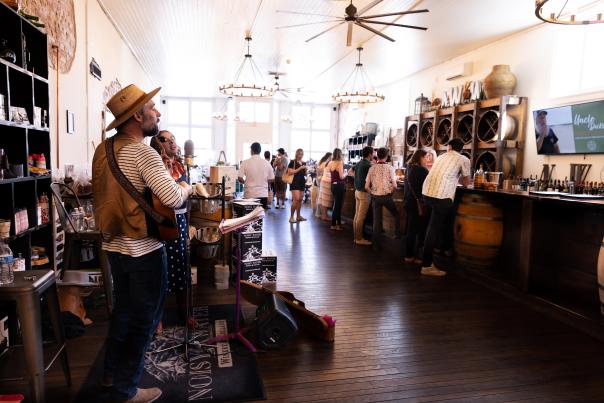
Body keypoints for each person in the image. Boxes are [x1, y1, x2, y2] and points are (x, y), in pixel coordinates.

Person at [92, 84, 193, 402]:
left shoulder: (103, 149)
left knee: (123, 312)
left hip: (115, 248)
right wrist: (188, 187)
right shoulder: (143, 152)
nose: (157, 113)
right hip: (143, 250)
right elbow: (174, 198)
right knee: (145, 319)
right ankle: (127, 388)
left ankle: (111, 375)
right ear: (137, 115)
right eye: (152, 107)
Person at [150, 131, 194, 333]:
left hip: (181, 218)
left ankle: (184, 313)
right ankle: (157, 318)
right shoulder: (155, 164)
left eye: (175, 139)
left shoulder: (177, 164)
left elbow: (184, 187)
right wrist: (183, 188)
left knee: (182, 265)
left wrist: (184, 188)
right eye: (169, 140)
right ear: (158, 143)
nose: (174, 143)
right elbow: (173, 192)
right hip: (162, 220)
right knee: (159, 269)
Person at [421, 137, 471, 277]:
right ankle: (426, 265)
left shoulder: (442, 157)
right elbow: (467, 183)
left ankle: (441, 250)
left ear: (449, 147)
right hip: (441, 196)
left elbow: (448, 175)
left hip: (427, 193)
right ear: (461, 149)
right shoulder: (463, 159)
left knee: (434, 226)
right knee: (433, 229)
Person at [365, 147, 400, 251]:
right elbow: (395, 185)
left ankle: (376, 245)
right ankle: (397, 234)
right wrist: (391, 191)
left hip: (375, 197)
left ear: (377, 156)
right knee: (396, 214)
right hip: (386, 197)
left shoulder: (372, 168)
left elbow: (366, 186)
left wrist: (372, 193)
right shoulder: (390, 168)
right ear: (386, 156)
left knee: (376, 222)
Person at [403, 149, 430, 264]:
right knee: (421, 230)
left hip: (409, 202)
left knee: (411, 230)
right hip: (419, 204)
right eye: (426, 157)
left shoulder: (408, 168)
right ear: (420, 158)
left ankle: (408, 255)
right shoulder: (422, 170)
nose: (427, 160)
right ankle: (418, 257)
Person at [238, 142, 275, 209]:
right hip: (262, 193)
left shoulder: (245, 162)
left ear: (251, 151)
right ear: (260, 151)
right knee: (260, 216)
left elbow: (240, 178)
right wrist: (264, 182)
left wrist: (245, 182)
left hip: (249, 193)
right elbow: (272, 179)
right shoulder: (267, 163)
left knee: (249, 216)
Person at [352, 146, 373, 245]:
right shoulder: (368, 165)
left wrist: (357, 178)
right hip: (364, 193)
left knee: (357, 216)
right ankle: (359, 239)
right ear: (370, 154)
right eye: (373, 153)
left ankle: (356, 237)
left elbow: (350, 171)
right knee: (361, 217)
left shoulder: (359, 163)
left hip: (357, 191)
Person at [327, 148, 346, 231]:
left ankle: (337, 224)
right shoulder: (339, 163)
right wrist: (346, 173)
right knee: (337, 206)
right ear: (340, 154)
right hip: (339, 186)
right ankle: (334, 224)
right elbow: (342, 176)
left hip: (333, 185)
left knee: (336, 205)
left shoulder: (330, 163)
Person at [287, 148, 307, 223]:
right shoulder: (293, 162)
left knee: (300, 199)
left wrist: (305, 170)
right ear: (296, 154)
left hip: (302, 182)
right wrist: (300, 168)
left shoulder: (303, 162)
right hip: (294, 182)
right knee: (296, 199)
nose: (300, 156)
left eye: (302, 154)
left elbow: (304, 174)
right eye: (299, 154)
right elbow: (289, 172)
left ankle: (298, 216)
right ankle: (291, 217)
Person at [314, 152, 332, 218]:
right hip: (321, 179)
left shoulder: (321, 162)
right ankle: (320, 213)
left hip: (318, 179)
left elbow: (317, 171)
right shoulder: (325, 163)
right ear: (329, 157)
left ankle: (319, 212)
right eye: (331, 157)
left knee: (320, 196)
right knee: (321, 197)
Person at [318, 154, 333, 222]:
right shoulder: (328, 163)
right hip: (326, 182)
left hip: (322, 180)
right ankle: (324, 215)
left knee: (322, 199)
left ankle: (323, 215)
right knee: (325, 199)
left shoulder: (323, 162)